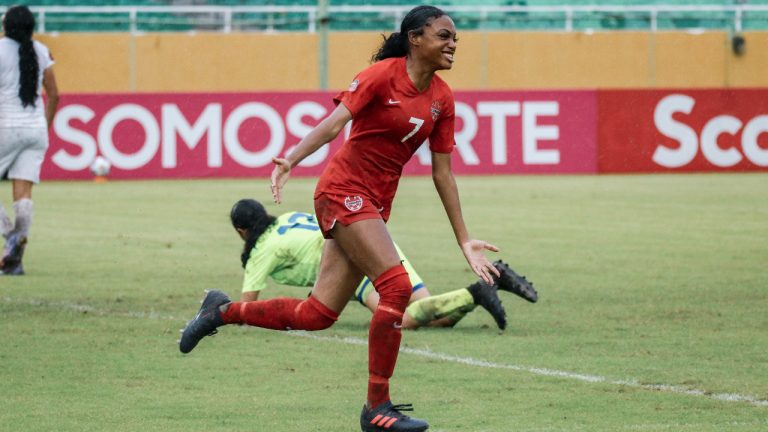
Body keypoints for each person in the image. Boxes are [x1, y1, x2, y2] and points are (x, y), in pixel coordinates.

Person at [180, 6, 496, 431]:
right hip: (341, 192)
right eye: (443, 35)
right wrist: (290, 158)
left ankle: (220, 311)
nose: (453, 43)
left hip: (373, 204)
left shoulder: (442, 99)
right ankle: (376, 407)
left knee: (317, 314)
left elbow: (443, 174)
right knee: (397, 287)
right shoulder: (381, 76)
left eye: (455, 37)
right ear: (415, 38)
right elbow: (332, 126)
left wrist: (464, 240)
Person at [230, 198, 538, 330]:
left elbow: (247, 306)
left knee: (399, 320)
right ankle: (487, 286)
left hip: (355, 261)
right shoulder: (286, 219)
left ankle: (477, 292)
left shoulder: (261, 250)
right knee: (433, 314)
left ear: (242, 231)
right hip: (378, 241)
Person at [0, 5, 59, 275]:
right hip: (35, 129)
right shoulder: (41, 51)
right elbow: (55, 94)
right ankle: (15, 261)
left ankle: (10, 235)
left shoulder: (0, 49)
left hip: (6, 127)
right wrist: (44, 126)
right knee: (22, 193)